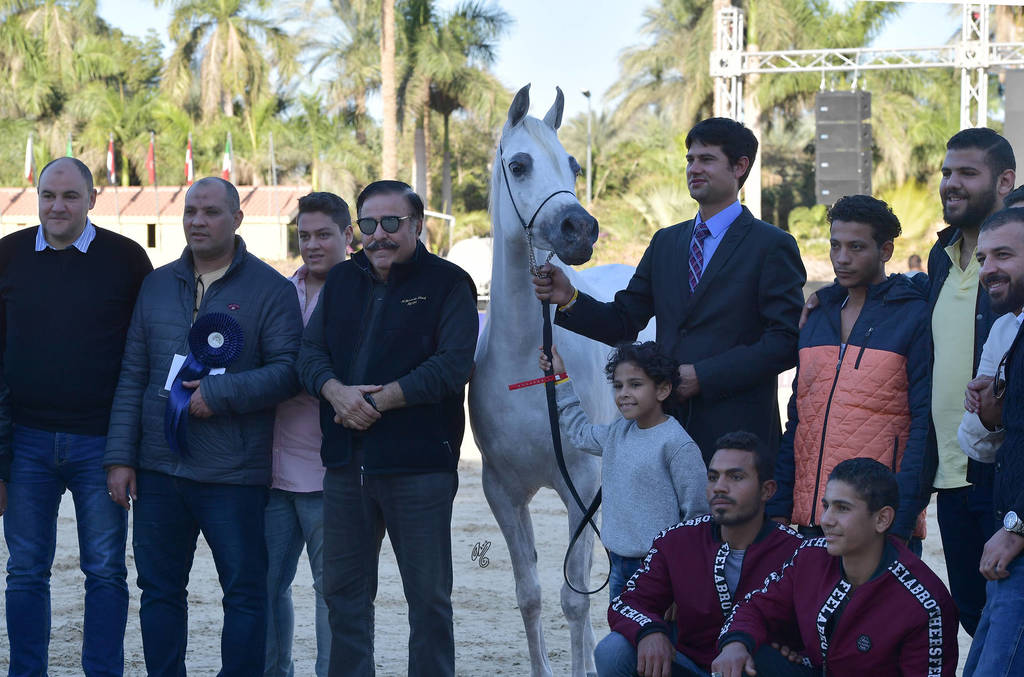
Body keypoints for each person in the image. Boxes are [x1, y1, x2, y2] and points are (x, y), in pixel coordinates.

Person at [800, 127, 1015, 636]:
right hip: (952, 471)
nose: (950, 184)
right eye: (946, 173)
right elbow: (898, 286)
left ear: (1006, 181)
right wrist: (830, 294)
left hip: (1006, 468)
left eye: (967, 173)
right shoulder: (942, 260)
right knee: (973, 612)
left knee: (1009, 614)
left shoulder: (1015, 260)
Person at [103, 176, 302, 676]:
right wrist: (121, 457)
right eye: (191, 211)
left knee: (244, 595)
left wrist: (220, 395)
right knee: (160, 592)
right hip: (159, 469)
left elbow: (289, 370)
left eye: (211, 211)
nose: (197, 220)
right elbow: (133, 374)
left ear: (237, 219)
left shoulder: (271, 291)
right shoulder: (155, 285)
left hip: (232, 474)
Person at [533, 117, 806, 463]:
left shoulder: (772, 245)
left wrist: (704, 377)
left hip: (738, 439)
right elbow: (624, 320)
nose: (694, 168)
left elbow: (784, 342)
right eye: (690, 160)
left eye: (706, 159)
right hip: (664, 431)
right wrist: (569, 298)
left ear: (740, 166)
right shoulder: (666, 242)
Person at [296, 180, 477, 677]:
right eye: (369, 224)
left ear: (417, 225)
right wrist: (336, 392)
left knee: (429, 602)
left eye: (392, 223)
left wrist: (380, 399)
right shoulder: (342, 281)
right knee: (344, 597)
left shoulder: (449, 283)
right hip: (344, 467)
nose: (379, 235)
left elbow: (453, 365)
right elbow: (310, 355)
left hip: (419, 469)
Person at [0, 157, 152, 676]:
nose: (57, 206)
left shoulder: (126, 259)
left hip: (100, 445)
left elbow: (141, 355)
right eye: (48, 195)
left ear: (92, 198)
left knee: (107, 571)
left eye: (69, 196)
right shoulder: (8, 255)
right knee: (24, 572)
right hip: (25, 444)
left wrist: (125, 450)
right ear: (35, 196)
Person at [769, 195, 930, 549]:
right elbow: (798, 418)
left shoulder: (914, 316)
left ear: (885, 250)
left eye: (856, 247)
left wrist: (901, 519)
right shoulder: (817, 316)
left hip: (878, 521)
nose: (842, 258)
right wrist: (780, 505)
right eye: (835, 245)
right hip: (814, 520)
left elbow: (923, 425)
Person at [712, 458, 959, 677]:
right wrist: (735, 644)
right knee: (746, 660)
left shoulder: (925, 604)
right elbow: (755, 607)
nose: (826, 520)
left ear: (882, 519)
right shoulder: (811, 556)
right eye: (826, 505)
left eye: (842, 508)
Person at [593, 431, 801, 677]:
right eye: (713, 477)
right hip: (687, 665)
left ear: (767, 490)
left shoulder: (798, 553)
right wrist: (649, 630)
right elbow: (626, 602)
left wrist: (796, 653)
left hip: (753, 668)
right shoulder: (677, 541)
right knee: (613, 650)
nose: (720, 488)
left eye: (736, 477)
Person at [539, 340, 708, 602]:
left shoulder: (677, 445)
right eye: (618, 386)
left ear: (662, 389)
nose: (623, 393)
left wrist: (681, 580)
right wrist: (560, 378)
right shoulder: (617, 432)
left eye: (635, 385)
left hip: (661, 571)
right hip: (617, 564)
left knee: (655, 640)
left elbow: (697, 517)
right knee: (624, 636)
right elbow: (580, 433)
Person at [265, 192, 353, 677]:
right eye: (304, 236)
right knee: (266, 586)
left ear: (347, 236)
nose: (313, 245)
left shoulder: (365, 294)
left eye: (323, 235)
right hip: (272, 472)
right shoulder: (280, 291)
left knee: (332, 592)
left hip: (330, 473)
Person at [962, 207, 1024, 675]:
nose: (988, 270)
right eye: (983, 257)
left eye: (1004, 254)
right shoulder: (1008, 327)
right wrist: (996, 410)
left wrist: (1017, 526)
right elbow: (981, 441)